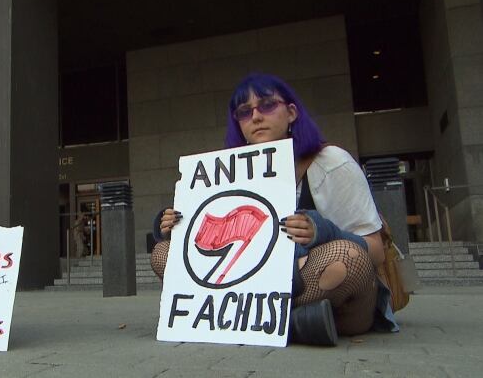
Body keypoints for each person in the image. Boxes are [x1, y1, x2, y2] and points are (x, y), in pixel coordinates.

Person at [151, 73, 396, 346]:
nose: (256, 116)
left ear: (291, 113)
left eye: (267, 105)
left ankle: (248, 323)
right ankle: (294, 324)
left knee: (350, 258)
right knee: (163, 254)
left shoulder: (331, 162)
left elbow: (374, 250)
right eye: (244, 112)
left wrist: (324, 231)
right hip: (254, 284)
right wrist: (177, 225)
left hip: (324, 284)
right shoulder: (228, 175)